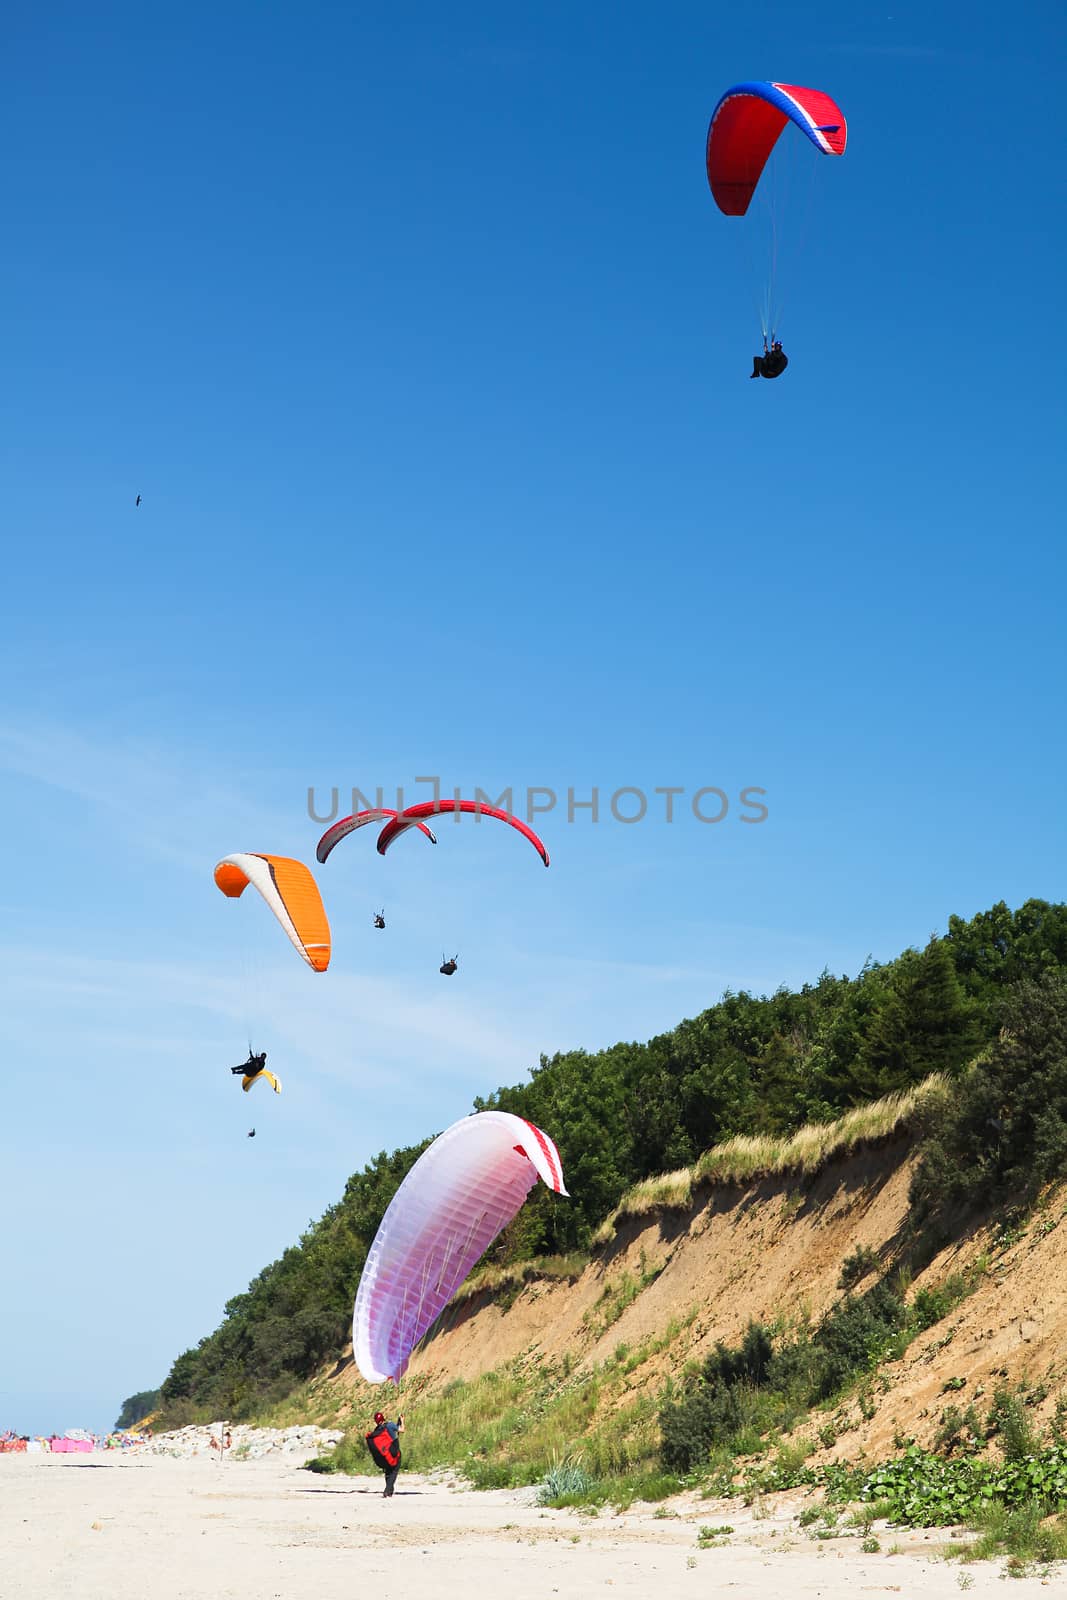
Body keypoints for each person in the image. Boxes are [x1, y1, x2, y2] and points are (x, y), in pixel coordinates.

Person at [365, 1409, 404, 1496]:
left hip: (383, 1457)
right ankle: (387, 1490)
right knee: (394, 1469)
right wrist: (402, 1421)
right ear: (383, 1418)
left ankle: (389, 1490)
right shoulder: (390, 1425)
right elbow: (401, 1430)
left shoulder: (376, 1430)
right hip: (393, 1452)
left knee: (388, 1470)